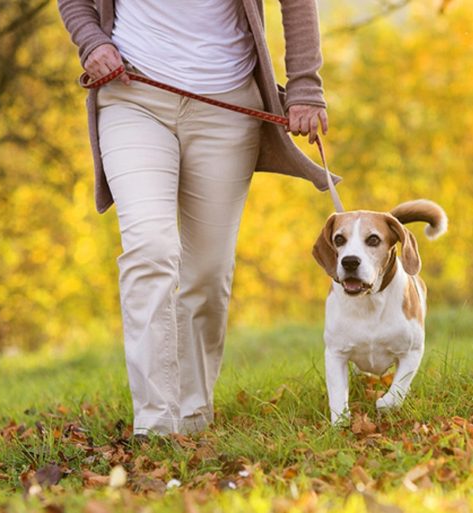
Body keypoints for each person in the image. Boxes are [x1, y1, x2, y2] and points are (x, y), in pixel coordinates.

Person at [58, 0, 335, 436]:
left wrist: (304, 87)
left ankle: (192, 415)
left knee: (207, 273)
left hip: (226, 107)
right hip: (133, 96)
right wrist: (91, 42)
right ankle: (156, 423)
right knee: (150, 248)